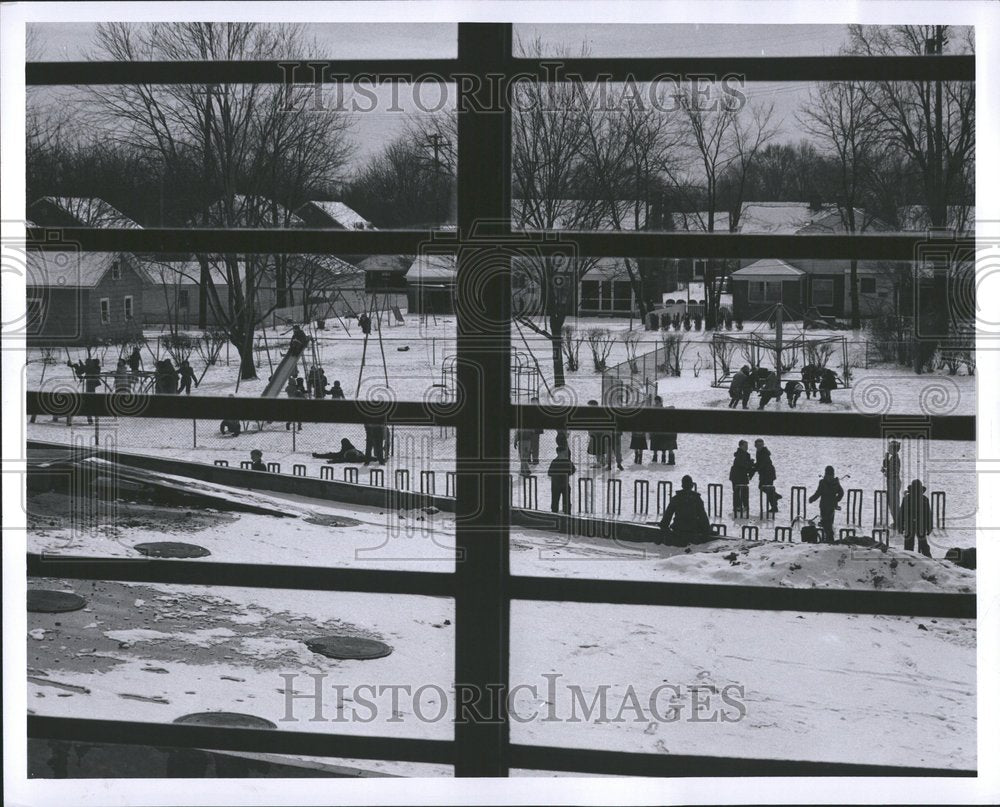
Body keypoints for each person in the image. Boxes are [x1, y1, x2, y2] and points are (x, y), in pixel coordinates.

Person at [658, 475, 711, 546]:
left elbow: (667, 517)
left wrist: (663, 526)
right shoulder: (697, 499)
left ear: (682, 485)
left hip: (678, 530)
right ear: (692, 486)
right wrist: (707, 531)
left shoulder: (676, 498)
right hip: (693, 531)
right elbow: (703, 518)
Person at [808, 465, 844, 542]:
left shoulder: (822, 482)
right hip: (832, 506)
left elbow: (818, 493)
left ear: (825, 473)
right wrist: (836, 500)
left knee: (825, 522)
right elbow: (841, 493)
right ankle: (828, 538)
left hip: (824, 506)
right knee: (829, 523)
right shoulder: (835, 482)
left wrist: (812, 499)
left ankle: (829, 538)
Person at [898, 479, 933, 557]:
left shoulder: (906, 499)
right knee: (923, 545)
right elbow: (928, 515)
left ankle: (908, 560)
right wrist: (929, 527)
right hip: (921, 525)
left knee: (908, 546)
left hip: (909, 525)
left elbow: (901, 514)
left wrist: (900, 527)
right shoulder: (924, 499)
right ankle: (929, 560)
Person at [753, 438, 781, 513]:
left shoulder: (763, 452)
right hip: (765, 473)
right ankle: (775, 501)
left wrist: (755, 468)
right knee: (767, 489)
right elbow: (759, 463)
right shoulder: (759, 452)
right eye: (758, 445)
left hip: (768, 473)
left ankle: (774, 505)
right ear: (755, 445)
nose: (759, 446)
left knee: (767, 489)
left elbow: (763, 464)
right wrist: (754, 466)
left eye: (761, 445)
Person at [728, 439, 754, 518]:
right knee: (737, 491)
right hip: (737, 475)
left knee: (742, 491)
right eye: (745, 446)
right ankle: (738, 506)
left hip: (740, 475)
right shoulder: (740, 454)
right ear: (741, 446)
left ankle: (742, 506)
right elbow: (743, 464)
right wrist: (751, 463)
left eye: (747, 446)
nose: (747, 447)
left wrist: (751, 466)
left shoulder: (744, 454)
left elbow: (746, 465)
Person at [547, 446, 576, 515]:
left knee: (562, 500)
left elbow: (550, 473)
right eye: (563, 453)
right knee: (556, 500)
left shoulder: (558, 461)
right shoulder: (564, 461)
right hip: (560, 484)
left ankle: (565, 512)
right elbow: (573, 470)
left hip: (560, 484)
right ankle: (557, 512)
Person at [882, 440, 902, 532]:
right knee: (892, 503)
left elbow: (893, 472)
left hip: (893, 482)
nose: (888, 449)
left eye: (889, 447)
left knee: (894, 503)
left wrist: (885, 472)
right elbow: (886, 467)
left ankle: (898, 523)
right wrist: (885, 459)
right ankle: (897, 521)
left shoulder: (895, 459)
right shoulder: (892, 458)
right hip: (892, 481)